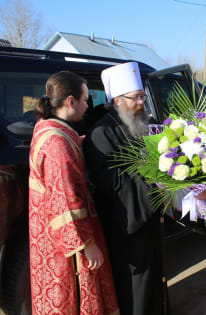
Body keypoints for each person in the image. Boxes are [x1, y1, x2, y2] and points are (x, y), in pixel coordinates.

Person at [28, 71, 119, 315]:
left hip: (48, 236)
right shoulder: (57, 145)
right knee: (71, 300)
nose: (88, 105)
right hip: (65, 245)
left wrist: (78, 142)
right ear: (70, 101)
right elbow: (64, 201)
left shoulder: (47, 129)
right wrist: (87, 245)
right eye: (86, 99)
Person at [83, 62, 165, 315]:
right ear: (117, 100)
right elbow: (115, 185)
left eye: (142, 97)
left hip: (148, 222)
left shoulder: (138, 124)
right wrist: (156, 188)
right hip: (127, 229)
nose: (141, 103)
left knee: (153, 286)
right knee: (134, 293)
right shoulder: (101, 133)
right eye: (135, 98)